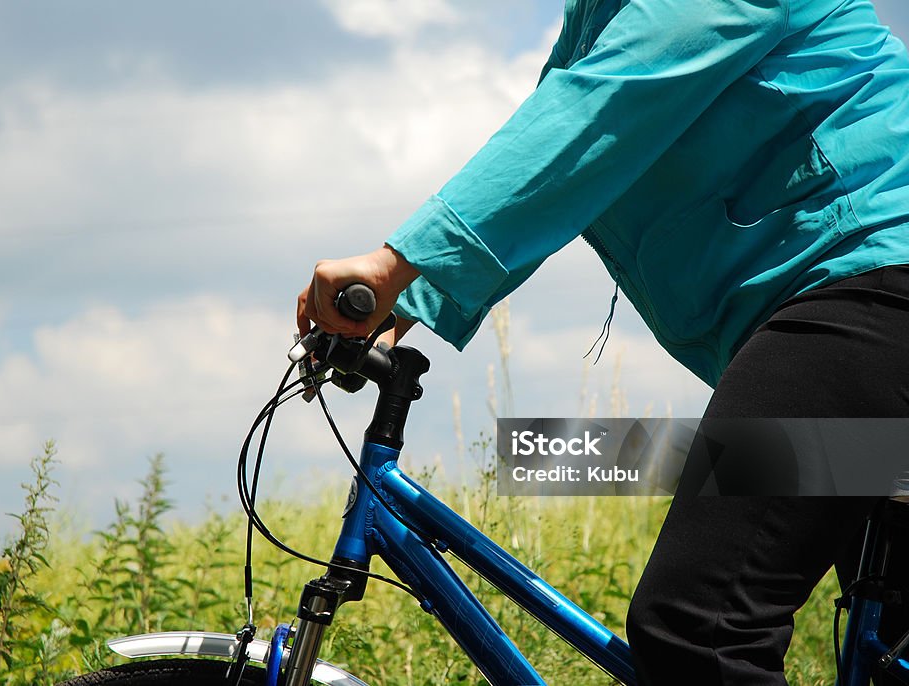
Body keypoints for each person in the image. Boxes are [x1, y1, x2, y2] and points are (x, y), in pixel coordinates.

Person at [297, 0, 909, 683]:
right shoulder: (600, 16)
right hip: (864, 313)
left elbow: (601, 110)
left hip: (875, 294)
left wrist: (396, 264)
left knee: (699, 631)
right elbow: (564, 163)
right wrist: (409, 294)